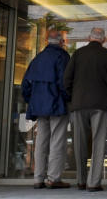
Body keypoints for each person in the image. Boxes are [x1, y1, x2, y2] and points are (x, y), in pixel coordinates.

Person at [64, 26, 107, 192]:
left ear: (89, 38)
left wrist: (72, 98)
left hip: (79, 104)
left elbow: (66, 79)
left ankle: (81, 180)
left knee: (79, 143)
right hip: (101, 104)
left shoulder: (78, 54)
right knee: (98, 142)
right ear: (103, 39)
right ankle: (93, 182)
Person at [21, 29, 71, 189]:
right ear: (61, 41)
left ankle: (38, 178)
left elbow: (25, 85)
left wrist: (32, 100)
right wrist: (68, 98)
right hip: (57, 104)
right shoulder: (62, 57)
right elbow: (65, 83)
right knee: (57, 140)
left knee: (41, 140)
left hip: (39, 106)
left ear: (46, 41)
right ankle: (53, 178)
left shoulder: (37, 58)